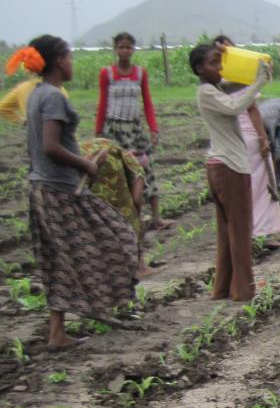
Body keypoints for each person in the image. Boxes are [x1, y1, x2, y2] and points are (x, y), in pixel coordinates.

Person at [13, 36, 137, 348]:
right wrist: (87, 165)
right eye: (69, 57)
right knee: (119, 237)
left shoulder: (37, 94)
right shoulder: (53, 97)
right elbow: (51, 146)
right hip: (60, 191)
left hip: (44, 187)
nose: (72, 63)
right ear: (58, 61)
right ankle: (100, 305)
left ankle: (58, 332)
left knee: (59, 259)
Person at [193, 42, 269, 303]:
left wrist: (241, 62)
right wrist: (259, 82)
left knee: (227, 233)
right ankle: (244, 292)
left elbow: (234, 85)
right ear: (199, 68)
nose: (220, 67)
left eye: (220, 61)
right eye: (214, 63)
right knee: (240, 231)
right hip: (230, 167)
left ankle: (224, 289)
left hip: (221, 165)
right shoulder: (208, 93)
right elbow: (236, 107)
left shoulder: (213, 89)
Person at [213, 36, 280, 249]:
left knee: (240, 186)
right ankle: (264, 233)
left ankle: (244, 234)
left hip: (227, 140)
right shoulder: (238, 77)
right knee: (262, 183)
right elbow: (252, 109)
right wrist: (263, 139)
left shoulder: (212, 82)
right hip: (247, 135)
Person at [96, 32, 170, 230]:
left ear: (133, 49)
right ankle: (125, 218)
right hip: (114, 130)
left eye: (128, 47)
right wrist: (99, 134)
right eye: (121, 47)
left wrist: (153, 129)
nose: (125, 51)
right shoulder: (107, 74)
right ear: (115, 49)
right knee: (118, 173)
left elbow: (147, 103)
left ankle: (156, 217)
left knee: (147, 170)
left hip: (135, 130)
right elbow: (102, 104)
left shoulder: (140, 73)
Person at [77, 136, 151, 278]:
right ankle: (140, 267)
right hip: (104, 161)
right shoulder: (139, 168)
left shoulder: (120, 152)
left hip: (83, 157)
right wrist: (137, 216)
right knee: (129, 217)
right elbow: (136, 199)